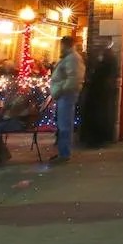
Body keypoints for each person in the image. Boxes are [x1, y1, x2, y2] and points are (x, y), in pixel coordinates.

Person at [0, 82, 41, 166]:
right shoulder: (14, 96)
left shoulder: (24, 96)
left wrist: (6, 112)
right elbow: (8, 109)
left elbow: (19, 112)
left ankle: (3, 153)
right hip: (12, 120)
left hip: (19, 122)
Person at [48, 36, 84, 164]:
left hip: (66, 95)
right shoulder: (68, 57)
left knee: (64, 125)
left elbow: (73, 79)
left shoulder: (72, 58)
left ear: (65, 45)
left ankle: (64, 154)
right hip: (64, 95)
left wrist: (60, 90)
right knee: (62, 124)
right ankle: (62, 152)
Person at [81, 43, 120, 149]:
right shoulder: (109, 64)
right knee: (101, 116)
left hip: (98, 96)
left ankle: (95, 139)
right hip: (101, 96)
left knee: (98, 117)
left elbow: (98, 78)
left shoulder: (104, 65)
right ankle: (98, 138)